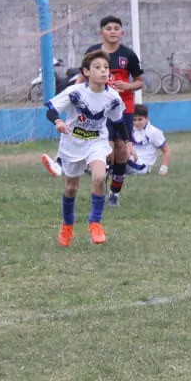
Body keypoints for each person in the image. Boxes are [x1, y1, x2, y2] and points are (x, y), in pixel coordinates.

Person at [41, 16, 143, 206]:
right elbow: (82, 77)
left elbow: (139, 82)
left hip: (123, 108)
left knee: (121, 150)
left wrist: (128, 86)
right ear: (101, 32)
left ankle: (114, 193)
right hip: (97, 108)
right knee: (106, 148)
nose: (113, 32)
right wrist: (76, 93)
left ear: (122, 32)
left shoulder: (129, 55)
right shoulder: (92, 53)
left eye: (116, 28)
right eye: (108, 28)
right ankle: (94, 179)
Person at [45, 50, 126, 246]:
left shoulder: (113, 97)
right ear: (86, 72)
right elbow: (51, 110)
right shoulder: (75, 92)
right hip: (72, 143)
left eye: (106, 67)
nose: (103, 71)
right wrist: (58, 122)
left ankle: (95, 224)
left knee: (99, 177)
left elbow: (118, 122)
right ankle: (67, 226)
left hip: (97, 142)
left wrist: (128, 143)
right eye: (97, 67)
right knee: (71, 187)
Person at [125, 104, 171, 175]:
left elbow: (166, 151)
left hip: (142, 166)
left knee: (120, 154)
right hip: (130, 161)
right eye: (134, 120)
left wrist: (163, 169)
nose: (137, 123)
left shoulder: (154, 132)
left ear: (147, 119)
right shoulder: (131, 129)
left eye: (140, 119)